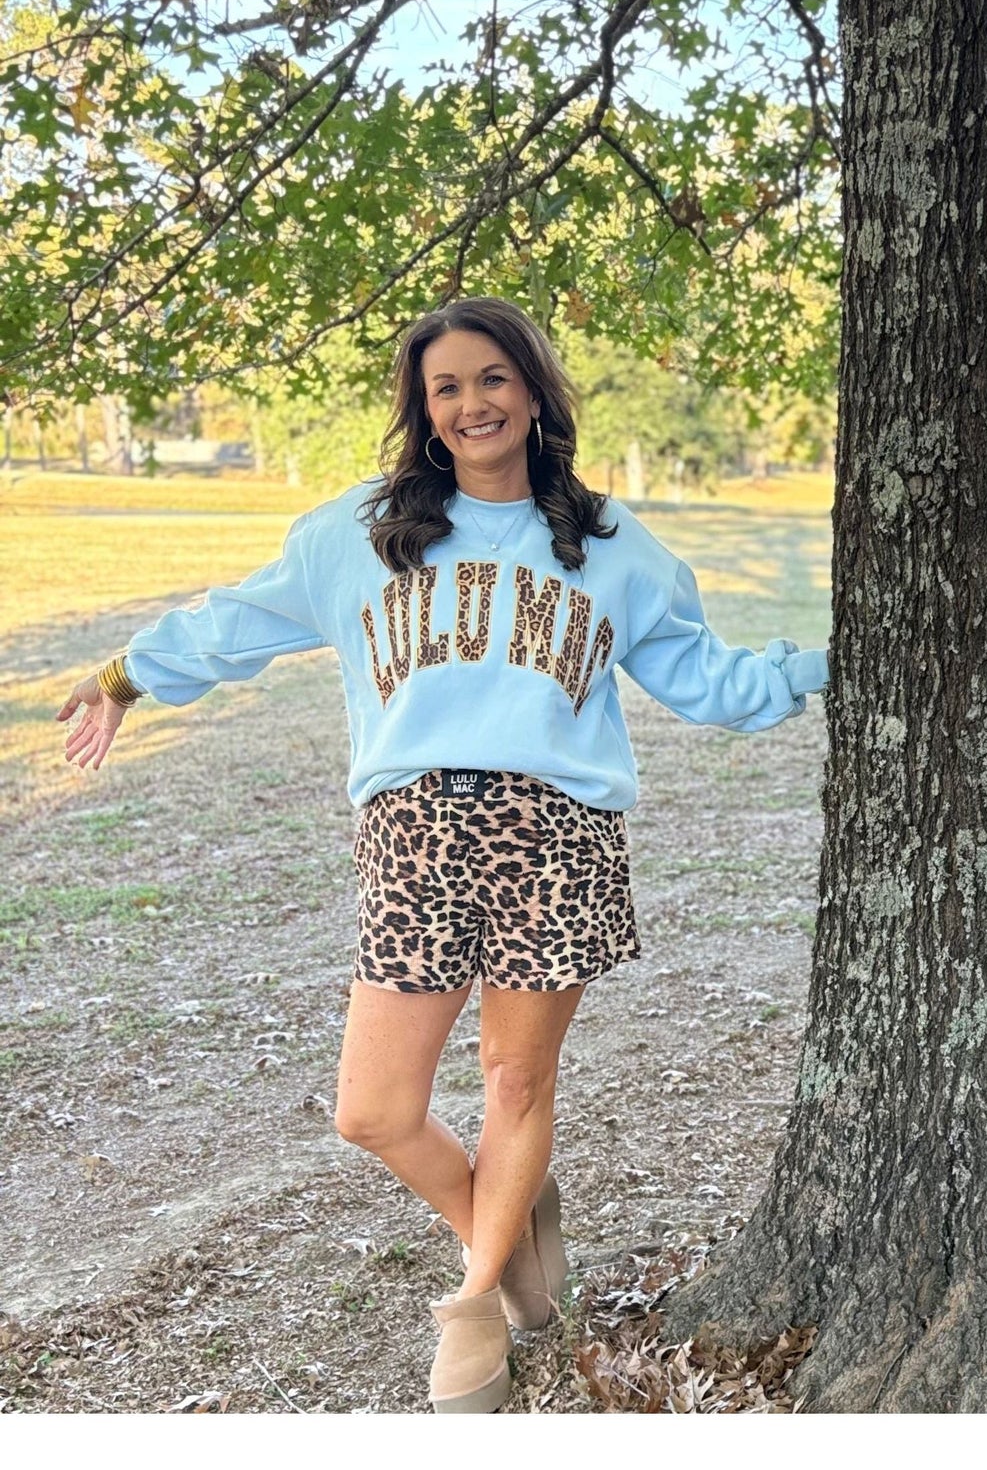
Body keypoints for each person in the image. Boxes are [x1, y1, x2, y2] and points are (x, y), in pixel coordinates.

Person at [57, 297, 828, 1412]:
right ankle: (504, 1220)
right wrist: (125, 675)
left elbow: (713, 682)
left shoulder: (612, 547)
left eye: (492, 378)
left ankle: (478, 1304)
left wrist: (827, 660)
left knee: (514, 1077)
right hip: (412, 831)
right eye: (447, 387)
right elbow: (238, 620)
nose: (472, 402)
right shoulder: (357, 534)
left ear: (533, 389)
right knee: (372, 1107)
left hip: (556, 835)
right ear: (423, 410)